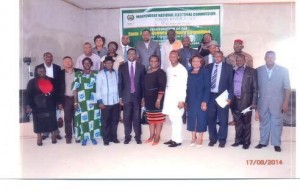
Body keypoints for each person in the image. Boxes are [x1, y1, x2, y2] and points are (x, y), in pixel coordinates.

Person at [255, 51, 291, 152]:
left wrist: (285, 102)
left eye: (272, 57)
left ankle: (276, 143)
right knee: (263, 123)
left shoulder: (284, 70)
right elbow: (255, 88)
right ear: (264, 58)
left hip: (278, 102)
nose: (269, 59)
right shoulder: (258, 70)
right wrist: (256, 105)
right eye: (267, 57)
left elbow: (287, 88)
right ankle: (263, 142)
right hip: (262, 102)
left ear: (275, 58)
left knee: (277, 123)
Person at [230, 54, 258, 149]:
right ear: (236, 61)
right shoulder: (233, 71)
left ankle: (246, 142)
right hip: (235, 101)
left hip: (247, 101)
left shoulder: (252, 71)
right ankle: (238, 141)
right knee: (238, 122)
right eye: (238, 60)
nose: (239, 62)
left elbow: (255, 88)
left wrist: (254, 102)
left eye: (241, 60)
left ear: (245, 60)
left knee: (246, 123)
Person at [206, 51, 233, 148]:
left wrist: (230, 97)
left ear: (222, 57)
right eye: (215, 56)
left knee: (223, 119)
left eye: (219, 56)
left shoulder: (228, 68)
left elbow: (231, 84)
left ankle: (222, 140)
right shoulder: (208, 67)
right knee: (211, 119)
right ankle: (212, 139)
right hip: (210, 96)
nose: (217, 58)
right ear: (213, 57)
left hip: (223, 96)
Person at [26, 65, 59, 146]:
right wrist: (28, 106)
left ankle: (53, 135)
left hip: (50, 103)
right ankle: (39, 136)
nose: (42, 72)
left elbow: (56, 92)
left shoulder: (52, 80)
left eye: (43, 70)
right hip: (37, 104)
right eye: (39, 71)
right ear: (36, 72)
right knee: (38, 121)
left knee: (51, 119)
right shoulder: (32, 82)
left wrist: (58, 102)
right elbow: (28, 95)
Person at [118, 48, 145, 144]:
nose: (131, 55)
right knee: (126, 117)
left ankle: (138, 137)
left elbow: (143, 83)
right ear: (127, 55)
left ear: (136, 55)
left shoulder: (141, 67)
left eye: (133, 53)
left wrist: (143, 97)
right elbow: (120, 83)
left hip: (137, 96)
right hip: (126, 96)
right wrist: (120, 97)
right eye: (130, 53)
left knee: (137, 117)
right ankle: (127, 137)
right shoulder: (122, 67)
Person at [72, 57, 101, 146]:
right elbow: (75, 90)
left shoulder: (96, 74)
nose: (87, 64)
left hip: (93, 101)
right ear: (82, 64)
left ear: (91, 64)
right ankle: (84, 137)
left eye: (89, 63)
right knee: (82, 120)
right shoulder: (78, 74)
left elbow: (100, 88)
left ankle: (92, 137)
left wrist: (99, 101)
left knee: (93, 119)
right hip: (82, 102)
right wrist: (75, 102)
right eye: (85, 63)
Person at [34, 52, 62, 140]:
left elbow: (59, 83)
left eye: (50, 56)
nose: (49, 58)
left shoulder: (57, 68)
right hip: (42, 96)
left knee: (55, 114)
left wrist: (58, 98)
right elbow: (36, 82)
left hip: (53, 94)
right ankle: (45, 132)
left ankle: (56, 132)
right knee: (44, 114)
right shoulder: (38, 67)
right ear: (44, 58)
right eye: (47, 57)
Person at [163, 50, 188, 147]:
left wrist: (182, 100)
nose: (172, 58)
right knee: (172, 118)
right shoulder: (168, 68)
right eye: (170, 56)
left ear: (178, 57)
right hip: (169, 97)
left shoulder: (182, 69)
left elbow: (184, 86)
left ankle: (177, 141)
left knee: (177, 118)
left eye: (174, 56)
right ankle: (173, 138)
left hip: (178, 97)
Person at [226, 39, 254, 126]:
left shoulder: (248, 56)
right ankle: (235, 120)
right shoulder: (229, 57)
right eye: (235, 45)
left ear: (242, 46)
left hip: (244, 84)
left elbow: (250, 71)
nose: (236, 46)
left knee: (245, 103)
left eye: (238, 45)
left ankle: (244, 119)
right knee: (233, 104)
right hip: (233, 82)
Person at [186, 55, 210, 148]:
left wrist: (204, 101)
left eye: (197, 61)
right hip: (191, 98)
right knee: (191, 117)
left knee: (201, 117)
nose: (195, 63)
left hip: (201, 98)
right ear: (191, 62)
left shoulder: (205, 71)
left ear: (201, 62)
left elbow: (207, 87)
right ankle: (193, 136)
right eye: (193, 61)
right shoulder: (188, 72)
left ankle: (200, 137)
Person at [96, 56, 120, 146]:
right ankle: (106, 139)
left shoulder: (116, 73)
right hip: (105, 103)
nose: (109, 64)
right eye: (107, 63)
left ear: (113, 64)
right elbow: (97, 89)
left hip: (115, 102)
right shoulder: (100, 74)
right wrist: (100, 102)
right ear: (104, 64)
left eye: (111, 63)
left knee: (114, 121)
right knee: (105, 122)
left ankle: (114, 137)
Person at [57, 56, 81, 144]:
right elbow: (58, 89)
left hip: (78, 99)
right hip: (66, 99)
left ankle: (77, 136)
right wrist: (59, 102)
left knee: (77, 118)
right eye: (65, 62)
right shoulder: (60, 73)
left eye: (69, 61)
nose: (68, 63)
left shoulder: (79, 72)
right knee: (67, 119)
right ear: (63, 64)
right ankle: (68, 136)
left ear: (72, 62)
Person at [144, 55, 167, 145]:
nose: (153, 63)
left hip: (157, 98)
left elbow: (162, 87)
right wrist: (143, 98)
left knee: (158, 119)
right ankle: (151, 135)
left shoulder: (161, 72)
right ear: (149, 62)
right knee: (151, 119)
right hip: (148, 98)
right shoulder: (147, 72)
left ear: (158, 62)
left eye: (155, 61)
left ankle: (157, 136)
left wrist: (158, 100)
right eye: (151, 61)